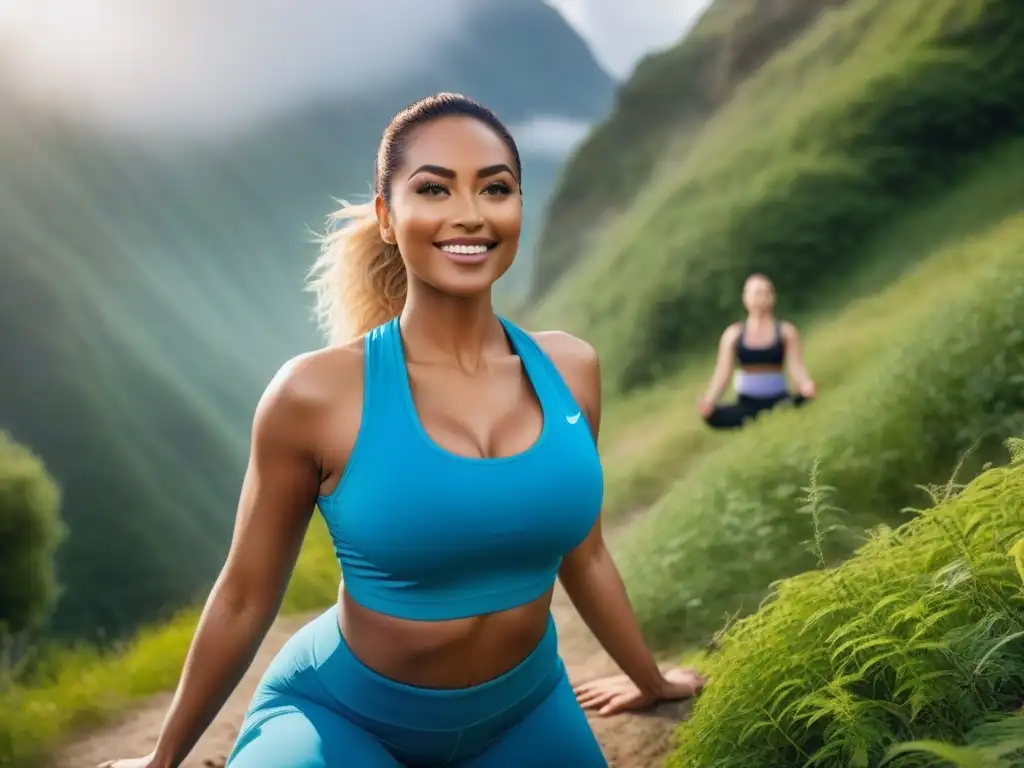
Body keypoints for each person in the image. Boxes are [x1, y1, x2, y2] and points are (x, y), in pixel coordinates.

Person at [100, 92, 704, 768]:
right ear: (388, 218)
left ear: (518, 209)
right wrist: (162, 760)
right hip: (343, 719)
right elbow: (245, 594)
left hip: (524, 710)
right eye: (434, 189)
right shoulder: (315, 394)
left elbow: (585, 554)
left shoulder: (572, 368)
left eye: (495, 188)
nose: (470, 214)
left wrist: (652, 682)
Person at [697, 273, 816, 430]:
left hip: (778, 399)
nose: (760, 297)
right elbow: (723, 372)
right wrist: (710, 400)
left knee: (799, 402)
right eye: (755, 293)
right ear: (745, 298)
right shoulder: (733, 334)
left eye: (764, 292)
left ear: (772, 296)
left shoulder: (786, 331)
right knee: (713, 417)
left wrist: (805, 384)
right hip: (746, 403)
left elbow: (796, 365)